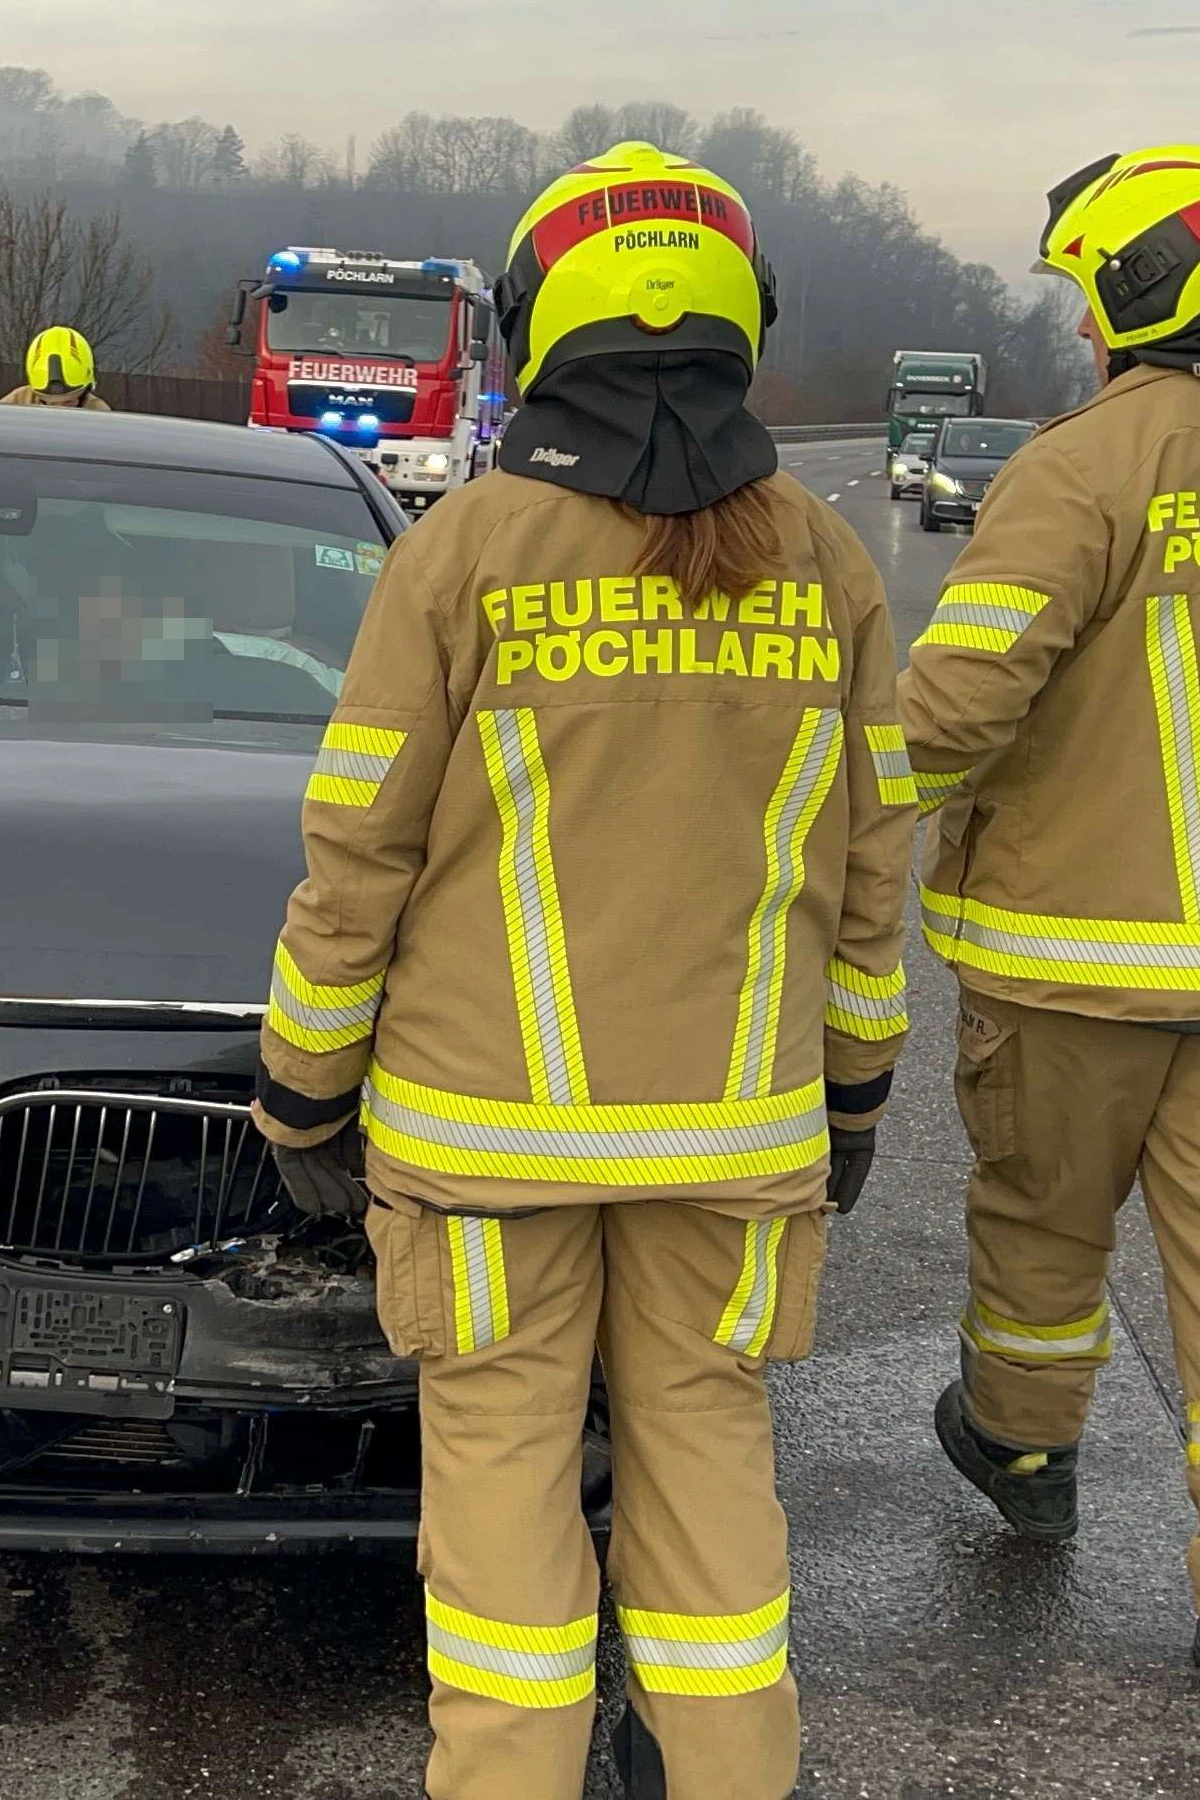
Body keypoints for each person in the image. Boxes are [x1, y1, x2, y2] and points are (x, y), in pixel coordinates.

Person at [253, 142, 916, 1800]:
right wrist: (853, 1103)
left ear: (541, 320)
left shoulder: (463, 551)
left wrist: (302, 1099)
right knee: (713, 1501)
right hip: (731, 1148)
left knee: (499, 1523)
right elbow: (867, 877)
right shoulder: (829, 568)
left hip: (486, 1156)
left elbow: (359, 861)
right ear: (742, 325)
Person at [896, 145, 1200, 1708]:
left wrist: (824, 810)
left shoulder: (1088, 464)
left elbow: (960, 701)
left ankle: (1027, 1453)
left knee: (1044, 1229)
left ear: (1133, 288)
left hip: (1071, 959)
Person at [0, 323, 112, 409]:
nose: (60, 409)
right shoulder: (17, 403)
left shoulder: (98, 414)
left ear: (85, 392)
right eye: (51, 404)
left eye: (69, 402)